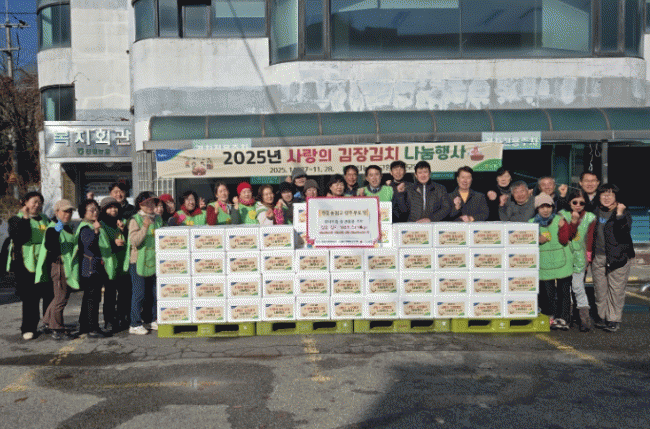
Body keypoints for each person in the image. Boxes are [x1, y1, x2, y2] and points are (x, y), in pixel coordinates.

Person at [587, 184, 635, 333]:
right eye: (603, 194)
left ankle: (613, 319)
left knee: (616, 291)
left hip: (618, 257)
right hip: (598, 257)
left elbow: (624, 231)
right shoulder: (595, 211)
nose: (606, 197)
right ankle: (602, 317)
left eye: (611, 195)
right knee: (600, 290)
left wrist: (619, 214)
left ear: (616, 198)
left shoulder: (623, 213)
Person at [7, 192, 51, 340]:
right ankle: (28, 327)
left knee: (49, 294)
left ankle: (49, 323)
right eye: (34, 202)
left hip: (44, 262)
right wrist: (26, 218)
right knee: (30, 298)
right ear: (25, 202)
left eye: (40, 202)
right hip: (26, 264)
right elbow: (21, 237)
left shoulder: (45, 218)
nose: (37, 205)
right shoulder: (15, 219)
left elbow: (54, 232)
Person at [35, 199, 78, 340]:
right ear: (56, 212)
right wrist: (56, 231)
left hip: (66, 266)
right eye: (65, 211)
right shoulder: (53, 227)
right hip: (59, 265)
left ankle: (48, 322)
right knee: (61, 298)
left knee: (58, 297)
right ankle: (57, 329)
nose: (68, 214)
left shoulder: (67, 227)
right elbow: (50, 246)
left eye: (70, 211)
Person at [530, 194, 574, 331]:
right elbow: (526, 242)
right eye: (542, 207)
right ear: (537, 208)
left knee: (564, 292)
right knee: (547, 293)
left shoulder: (560, 220)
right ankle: (550, 316)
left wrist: (563, 227)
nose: (545, 210)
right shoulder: (531, 223)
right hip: (544, 262)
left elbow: (565, 239)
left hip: (562, 261)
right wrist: (536, 239)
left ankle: (564, 318)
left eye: (548, 206)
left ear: (552, 207)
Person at [76, 199, 116, 338]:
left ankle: (84, 325)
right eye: (91, 210)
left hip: (94, 267)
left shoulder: (91, 225)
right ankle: (92, 328)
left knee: (90, 297)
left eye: (96, 209)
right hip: (90, 268)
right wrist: (97, 231)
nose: (95, 212)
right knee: (92, 298)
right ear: (84, 213)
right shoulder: (85, 228)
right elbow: (89, 245)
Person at [125, 192, 163, 335]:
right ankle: (134, 323)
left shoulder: (158, 218)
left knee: (154, 292)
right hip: (138, 261)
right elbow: (134, 241)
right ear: (140, 205)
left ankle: (153, 319)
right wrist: (145, 227)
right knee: (139, 293)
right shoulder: (135, 219)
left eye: (153, 202)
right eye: (147, 203)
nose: (151, 206)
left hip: (153, 260)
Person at [560, 191, 596, 332]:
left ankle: (584, 319)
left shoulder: (590, 217)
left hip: (580, 258)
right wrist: (573, 222)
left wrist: (588, 258)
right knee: (565, 289)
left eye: (582, 203)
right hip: (564, 256)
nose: (578, 205)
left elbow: (590, 238)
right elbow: (566, 236)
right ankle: (566, 317)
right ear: (569, 202)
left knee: (577, 287)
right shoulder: (563, 215)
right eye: (575, 202)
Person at [99, 197, 130, 333]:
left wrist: (124, 230)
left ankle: (123, 317)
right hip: (109, 265)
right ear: (104, 210)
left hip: (123, 264)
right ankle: (109, 320)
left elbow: (130, 240)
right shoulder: (101, 225)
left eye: (115, 207)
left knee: (124, 293)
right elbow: (101, 244)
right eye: (110, 207)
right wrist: (114, 244)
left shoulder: (122, 222)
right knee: (110, 295)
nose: (113, 210)